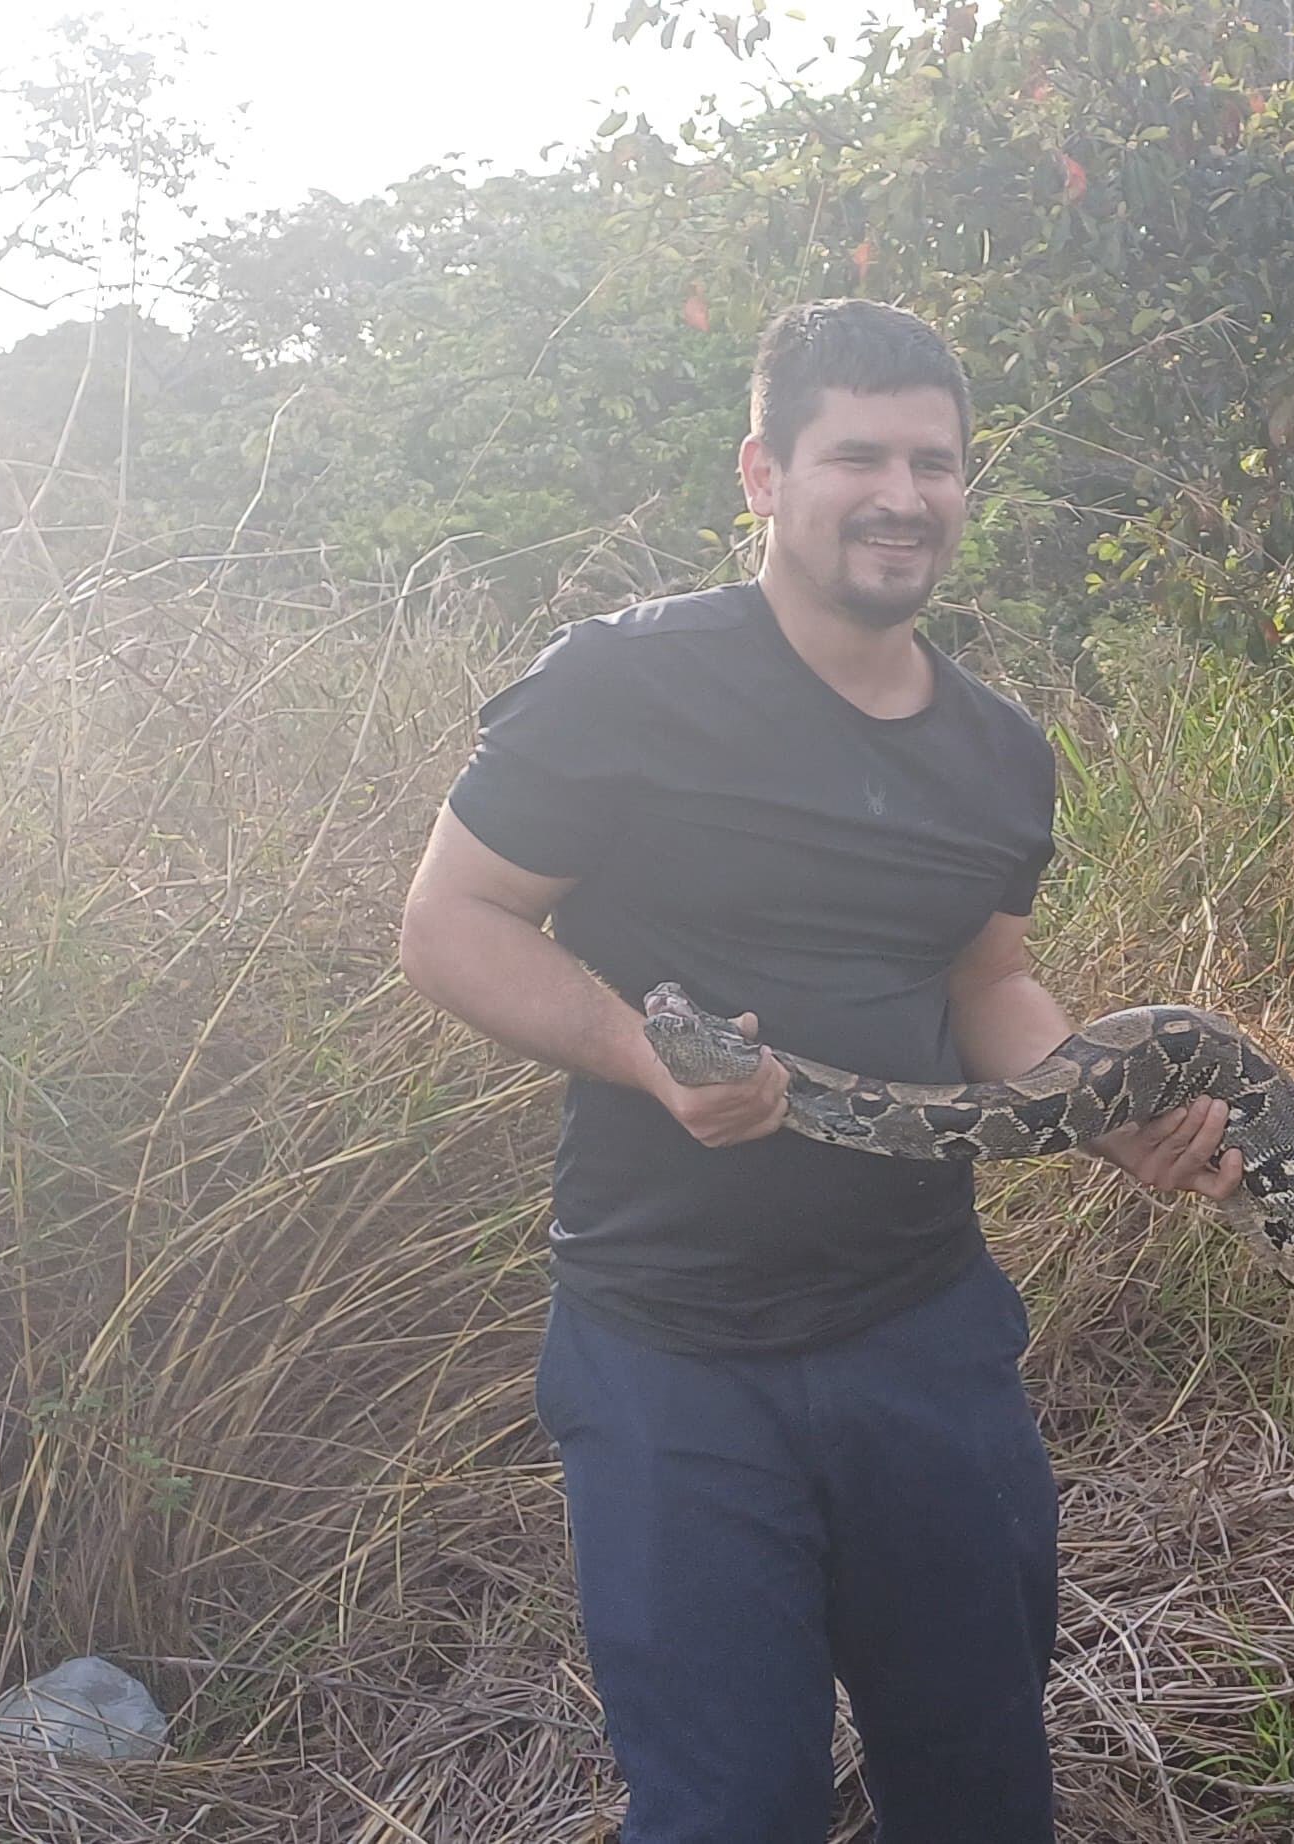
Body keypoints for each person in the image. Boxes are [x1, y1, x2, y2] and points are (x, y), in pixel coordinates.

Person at [394, 299, 1240, 1844]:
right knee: (727, 1808)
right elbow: (450, 921)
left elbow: (985, 977)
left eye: (937, 462)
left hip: (923, 1342)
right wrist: (648, 1063)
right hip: (668, 1357)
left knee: (977, 1780)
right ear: (765, 473)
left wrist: (1110, 1117)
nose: (902, 495)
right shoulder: (622, 683)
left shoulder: (998, 752)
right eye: (858, 455)